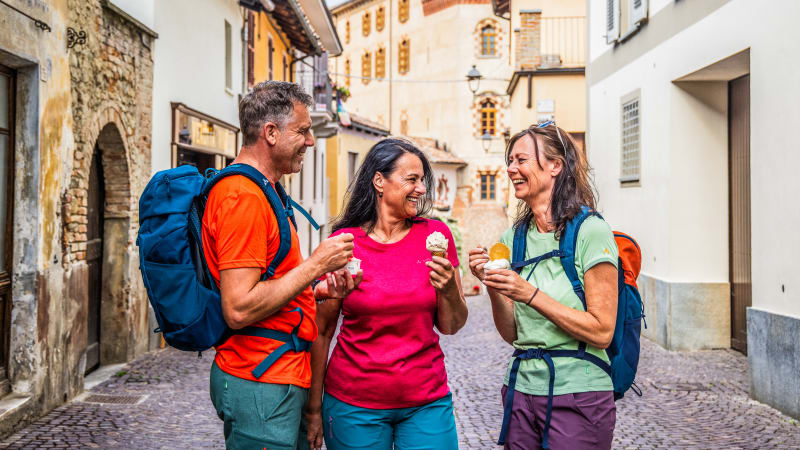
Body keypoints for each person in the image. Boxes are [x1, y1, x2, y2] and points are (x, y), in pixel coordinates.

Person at [202, 81, 355, 449]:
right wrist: (316, 265)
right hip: (260, 380)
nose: (310, 141)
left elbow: (271, 281)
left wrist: (313, 290)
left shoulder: (264, 190)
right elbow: (239, 307)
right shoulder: (243, 197)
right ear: (270, 133)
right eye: (302, 131)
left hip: (277, 376)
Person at [304, 139, 469, 450]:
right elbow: (321, 331)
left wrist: (448, 289)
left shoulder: (435, 237)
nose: (421, 189)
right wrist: (313, 409)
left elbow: (451, 326)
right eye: (412, 179)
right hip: (353, 405)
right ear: (379, 181)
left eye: (422, 180)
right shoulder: (344, 244)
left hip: (426, 402)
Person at [469, 123, 619, 450]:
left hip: (580, 393)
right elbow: (513, 334)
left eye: (521, 160)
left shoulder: (591, 232)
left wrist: (528, 293)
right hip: (521, 391)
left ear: (555, 166)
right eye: (510, 161)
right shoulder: (513, 238)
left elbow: (602, 331)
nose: (511, 169)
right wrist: (492, 283)